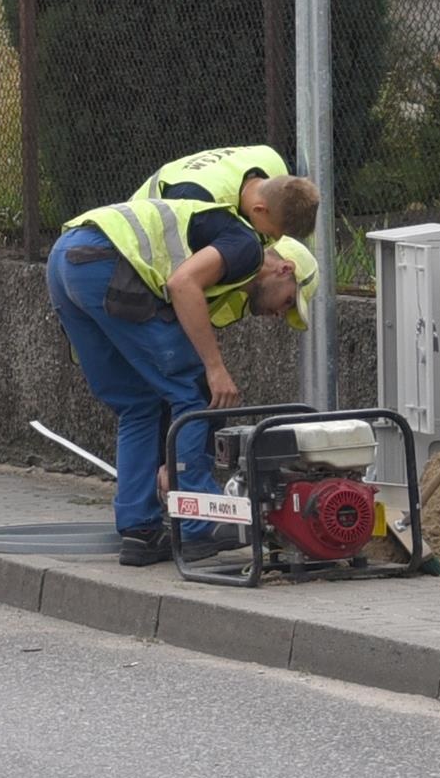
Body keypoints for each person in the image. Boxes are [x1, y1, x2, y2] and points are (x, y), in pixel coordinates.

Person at [45, 194, 317, 565]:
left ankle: (139, 532)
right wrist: (215, 368)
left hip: (65, 258)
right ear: (285, 269)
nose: (277, 315)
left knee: (139, 404)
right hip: (105, 259)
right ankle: (198, 523)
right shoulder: (245, 248)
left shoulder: (223, 271)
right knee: (198, 393)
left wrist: (169, 461)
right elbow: (181, 284)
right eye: (288, 303)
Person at [134, 143, 320, 243]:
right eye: (271, 234)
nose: (271, 241)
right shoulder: (199, 203)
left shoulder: (272, 160)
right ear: (259, 210)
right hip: (137, 238)